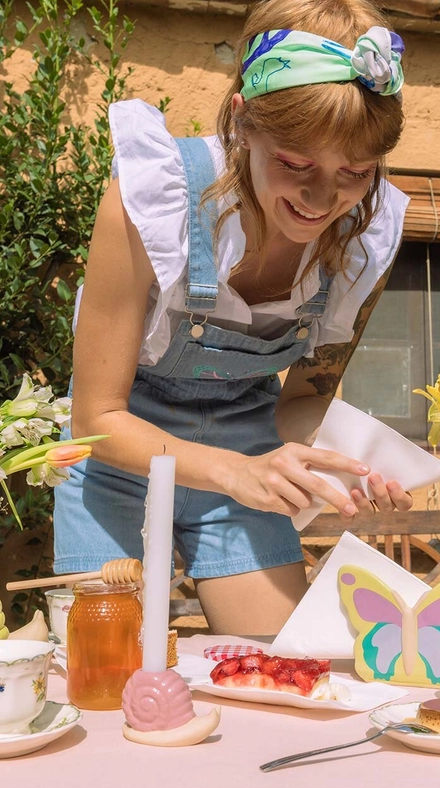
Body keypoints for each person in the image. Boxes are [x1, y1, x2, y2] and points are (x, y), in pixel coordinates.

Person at [53, 0, 413, 635]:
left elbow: (304, 401)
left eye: (354, 173)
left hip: (249, 451)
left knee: (274, 673)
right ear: (244, 121)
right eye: (296, 164)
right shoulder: (153, 197)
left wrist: (349, 464)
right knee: (107, 676)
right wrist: (236, 473)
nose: (322, 199)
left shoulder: (365, 241)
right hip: (120, 455)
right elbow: (94, 417)